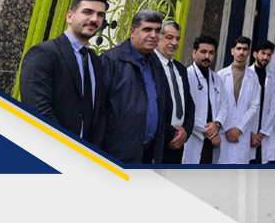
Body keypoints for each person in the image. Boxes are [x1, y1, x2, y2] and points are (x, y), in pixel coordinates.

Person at [20, 0, 109, 146]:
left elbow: (99, 110)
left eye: (100, 15)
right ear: (69, 16)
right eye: (87, 12)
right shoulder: (44, 53)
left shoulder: (95, 61)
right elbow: (37, 109)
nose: (94, 19)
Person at [98, 9, 167, 164]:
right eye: (147, 29)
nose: (153, 35)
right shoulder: (111, 61)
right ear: (132, 32)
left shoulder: (156, 64)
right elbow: (99, 109)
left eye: (157, 30)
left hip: (147, 153)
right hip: (115, 154)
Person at [182, 35, 229, 164]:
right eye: (203, 52)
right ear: (194, 53)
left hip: (211, 141)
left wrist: (217, 124)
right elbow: (185, 109)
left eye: (211, 53)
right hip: (194, 136)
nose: (207, 56)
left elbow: (224, 105)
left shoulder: (217, 78)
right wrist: (209, 131)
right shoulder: (186, 75)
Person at [153, 20, 195, 164]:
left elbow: (189, 103)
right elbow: (149, 105)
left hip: (178, 144)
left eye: (177, 39)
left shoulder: (180, 69)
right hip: (156, 143)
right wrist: (171, 133)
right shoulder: (149, 64)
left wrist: (185, 132)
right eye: (169, 38)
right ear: (158, 37)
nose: (174, 43)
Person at [217, 36, 261, 164]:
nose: (241, 52)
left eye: (245, 49)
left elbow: (254, 106)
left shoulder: (253, 77)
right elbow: (217, 105)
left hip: (242, 133)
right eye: (239, 48)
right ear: (232, 51)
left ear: (248, 52)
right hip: (224, 132)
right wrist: (227, 128)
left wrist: (239, 129)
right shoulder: (221, 75)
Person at [250, 40, 275, 164]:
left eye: (269, 55)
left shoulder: (272, 79)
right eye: (263, 53)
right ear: (255, 54)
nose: (266, 57)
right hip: (247, 133)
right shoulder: (246, 75)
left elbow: (274, 108)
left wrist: (261, 134)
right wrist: (251, 133)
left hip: (263, 135)